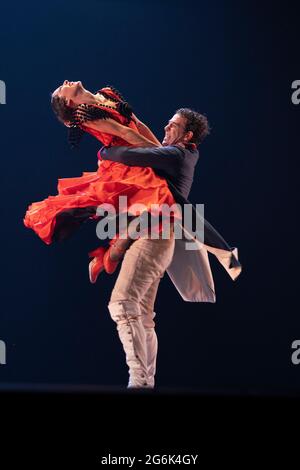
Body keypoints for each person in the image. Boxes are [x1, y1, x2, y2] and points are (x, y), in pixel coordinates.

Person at [98, 108, 242, 388]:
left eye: (173, 125)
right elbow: (145, 137)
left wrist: (105, 151)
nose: (166, 127)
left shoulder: (177, 155)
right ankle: (145, 382)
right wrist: (128, 115)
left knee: (123, 304)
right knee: (141, 313)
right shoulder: (177, 154)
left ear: (187, 135)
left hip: (154, 236)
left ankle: (139, 382)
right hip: (156, 237)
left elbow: (131, 154)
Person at [23, 81, 181, 280]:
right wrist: (162, 156)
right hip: (125, 165)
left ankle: (106, 257)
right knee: (160, 204)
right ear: (68, 102)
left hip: (142, 152)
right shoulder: (84, 114)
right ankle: (108, 257)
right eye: (62, 89)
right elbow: (126, 133)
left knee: (162, 210)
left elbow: (139, 125)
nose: (65, 82)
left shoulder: (107, 93)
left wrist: (162, 153)